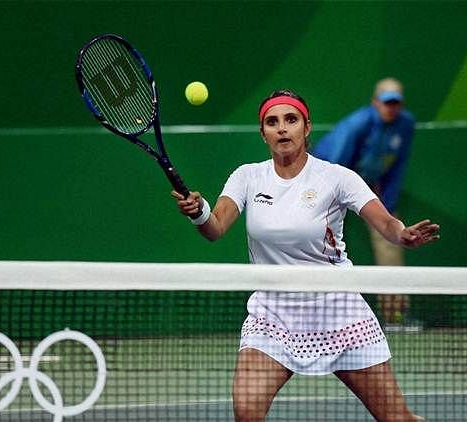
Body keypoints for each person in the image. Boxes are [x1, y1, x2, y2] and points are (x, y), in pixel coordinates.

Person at [172, 89, 439, 421]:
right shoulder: (247, 177)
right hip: (273, 315)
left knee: (397, 418)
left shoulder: (337, 177)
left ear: (306, 127)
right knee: (246, 413)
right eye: (273, 122)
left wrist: (402, 234)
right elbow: (215, 227)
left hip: (338, 310)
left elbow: (384, 221)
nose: (282, 128)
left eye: (291, 120)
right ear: (263, 133)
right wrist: (198, 212)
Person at [312, 77, 417, 330]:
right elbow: (335, 164)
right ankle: (313, 312)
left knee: (392, 237)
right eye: (386, 103)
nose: (391, 108)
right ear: (374, 103)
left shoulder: (406, 124)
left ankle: (395, 316)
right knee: (317, 244)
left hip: (368, 183)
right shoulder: (356, 125)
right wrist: (332, 203)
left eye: (395, 103)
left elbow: (397, 166)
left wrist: (388, 207)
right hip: (325, 181)